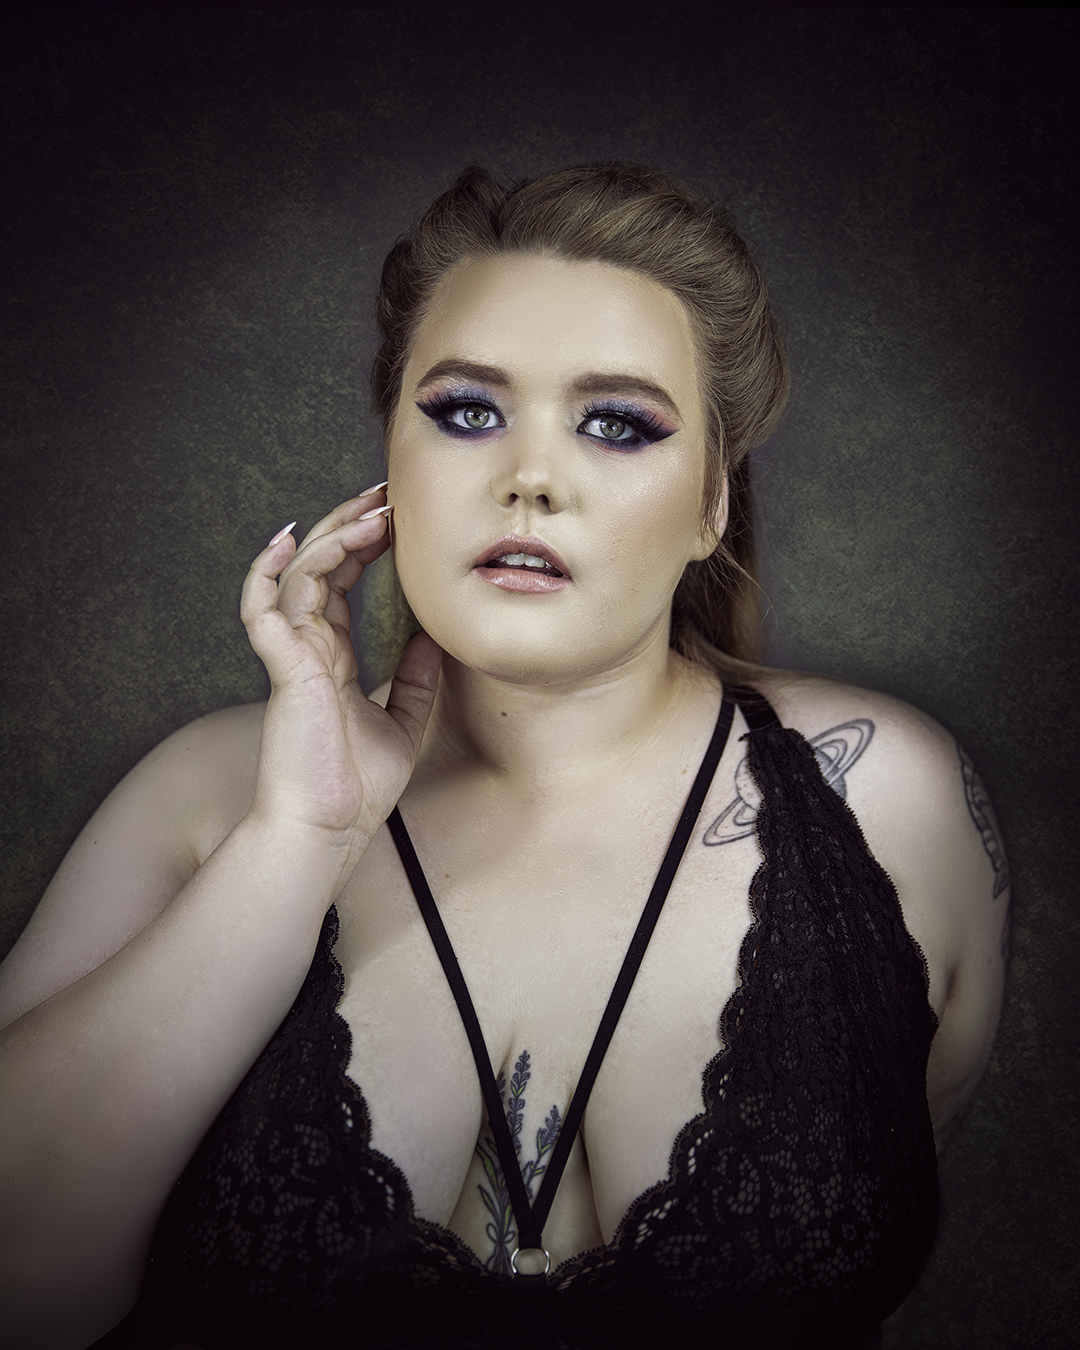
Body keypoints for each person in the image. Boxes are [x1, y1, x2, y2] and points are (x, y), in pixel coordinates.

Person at [0, 163, 1008, 1350]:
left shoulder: (889, 799)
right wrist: (299, 838)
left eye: (617, 424)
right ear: (391, 463)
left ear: (711, 505)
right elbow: (24, 1290)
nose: (529, 477)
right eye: (468, 412)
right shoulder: (204, 796)